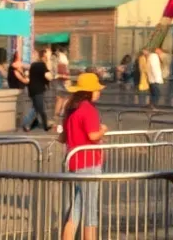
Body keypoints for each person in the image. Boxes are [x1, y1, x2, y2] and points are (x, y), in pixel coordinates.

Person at [61, 72, 107, 240]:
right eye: (96, 89)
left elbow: (62, 137)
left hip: (73, 162)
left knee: (76, 207)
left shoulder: (70, 109)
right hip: (89, 163)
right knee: (90, 210)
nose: (99, 92)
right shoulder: (88, 109)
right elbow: (93, 135)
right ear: (88, 91)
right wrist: (103, 130)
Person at [22, 48, 52, 132]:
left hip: (32, 89)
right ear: (43, 57)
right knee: (40, 109)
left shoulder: (34, 64)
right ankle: (44, 126)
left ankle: (30, 123)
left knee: (36, 108)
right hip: (38, 90)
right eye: (47, 56)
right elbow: (48, 76)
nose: (47, 58)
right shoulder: (42, 65)